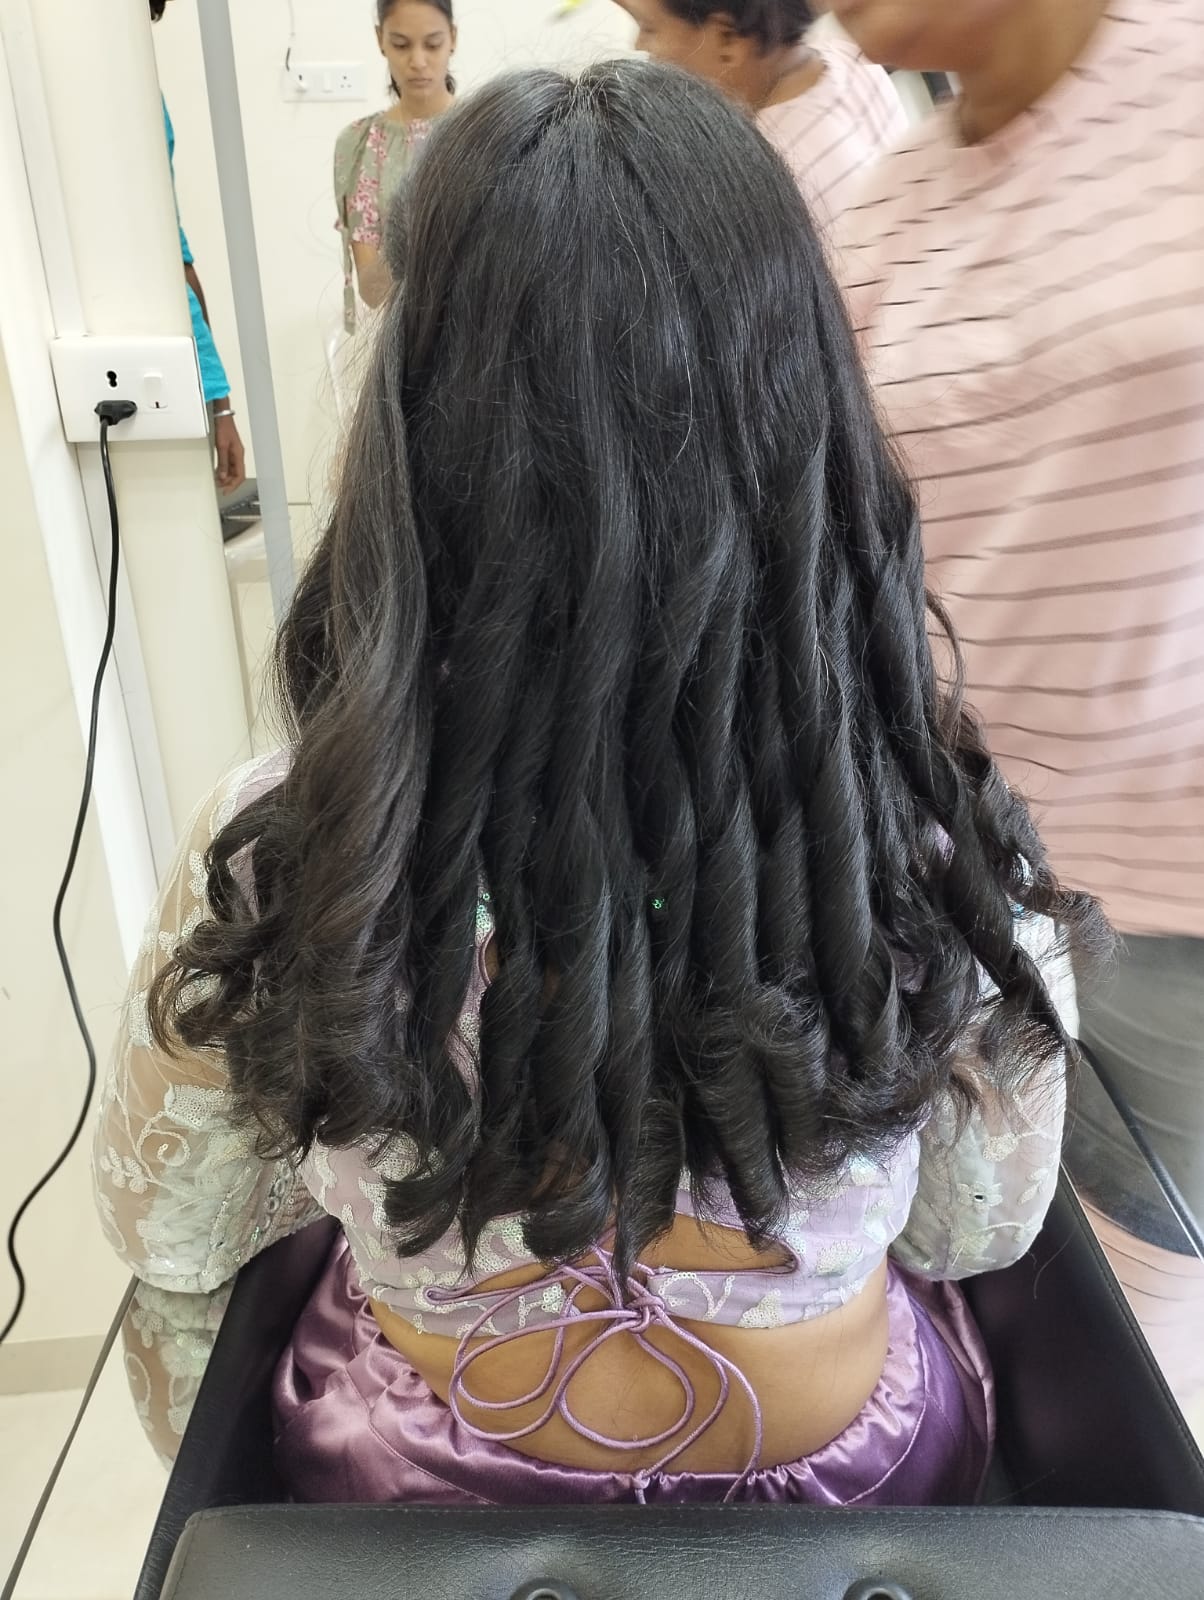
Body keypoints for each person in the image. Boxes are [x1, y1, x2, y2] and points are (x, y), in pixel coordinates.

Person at [95, 61, 1103, 1502]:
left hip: (417, 1486)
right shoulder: (924, 840)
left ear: (415, 434)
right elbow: (973, 1234)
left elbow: (175, 1241)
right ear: (802, 420)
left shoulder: (293, 842)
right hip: (853, 1483)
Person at [831, 0, 1204, 1403]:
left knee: (1143, 1338)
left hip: (1174, 911)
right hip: (970, 912)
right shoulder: (887, 215)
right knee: (1052, 1348)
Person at [615, 0, 905, 230]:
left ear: (727, 39)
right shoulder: (847, 59)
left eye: (648, 27)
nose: (638, 45)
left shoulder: (768, 177)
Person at [150, 0, 246, 496]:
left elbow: (176, 253)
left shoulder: (147, 97)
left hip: (181, 345)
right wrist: (220, 401)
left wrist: (220, 400)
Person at [334, 0, 457, 333]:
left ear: (453, 38)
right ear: (380, 39)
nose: (418, 61)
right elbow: (373, 292)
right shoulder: (360, 145)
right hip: (407, 341)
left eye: (433, 44)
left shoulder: (486, 130)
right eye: (401, 45)